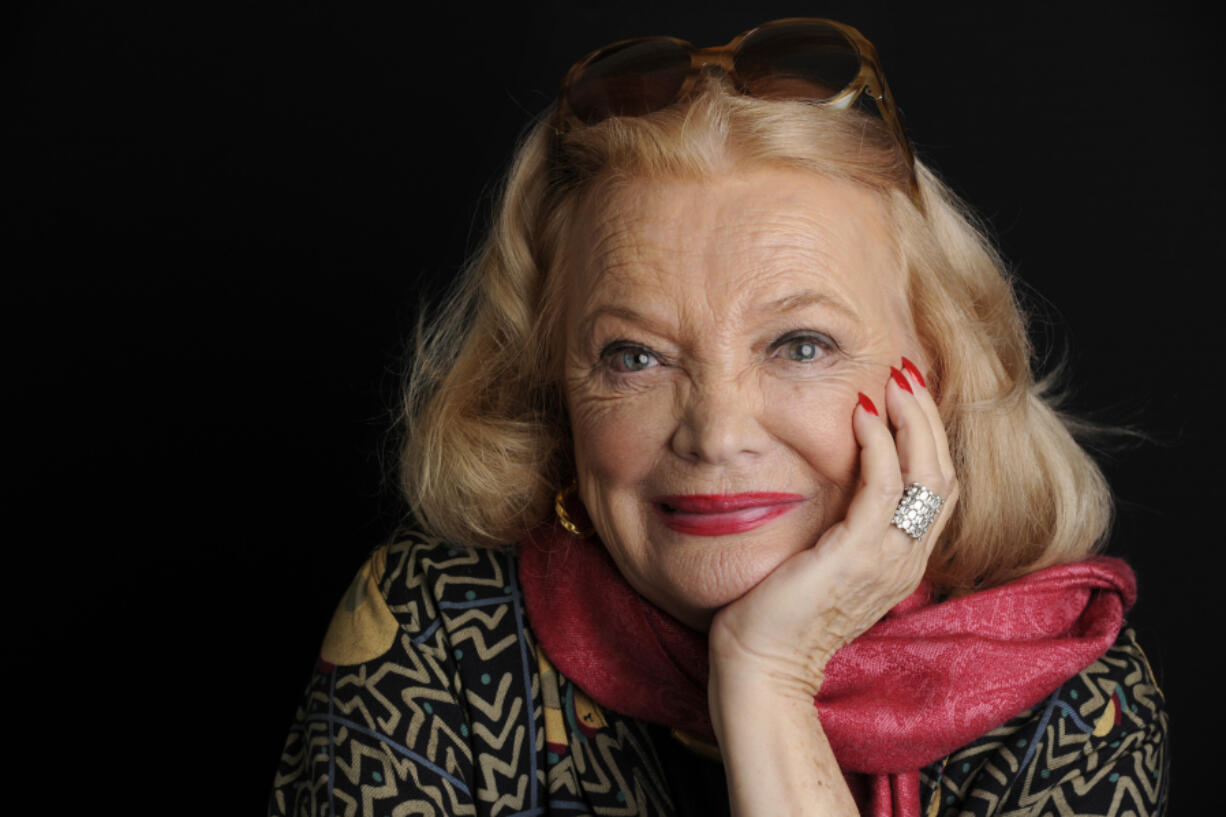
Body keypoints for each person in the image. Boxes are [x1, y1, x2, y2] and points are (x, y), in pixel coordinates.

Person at [269, 18, 1167, 817]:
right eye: (635, 356)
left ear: (933, 368)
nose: (716, 432)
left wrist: (765, 678)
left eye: (800, 345)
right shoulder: (434, 638)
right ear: (555, 383)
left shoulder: (1072, 698)